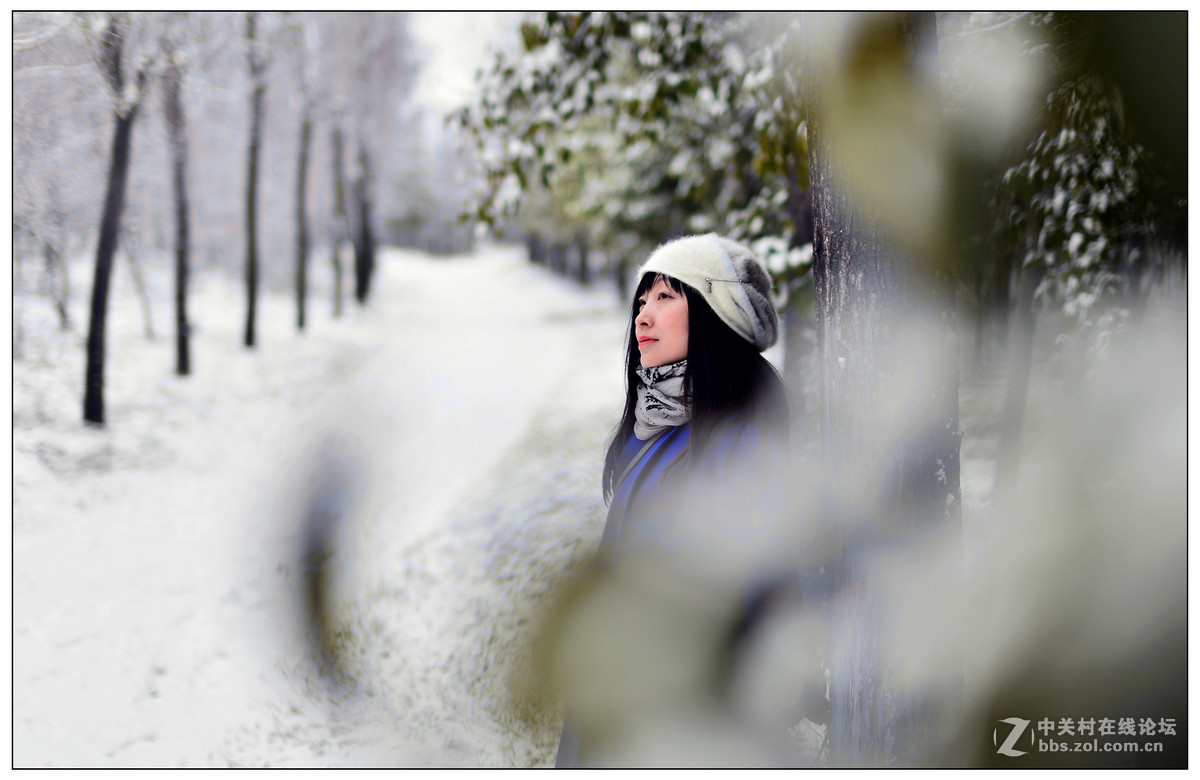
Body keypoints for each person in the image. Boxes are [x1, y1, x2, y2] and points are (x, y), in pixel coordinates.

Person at [555, 233, 791, 767]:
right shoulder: (654, 429)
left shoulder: (744, 442)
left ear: (715, 315)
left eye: (666, 297)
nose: (643, 316)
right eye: (642, 299)